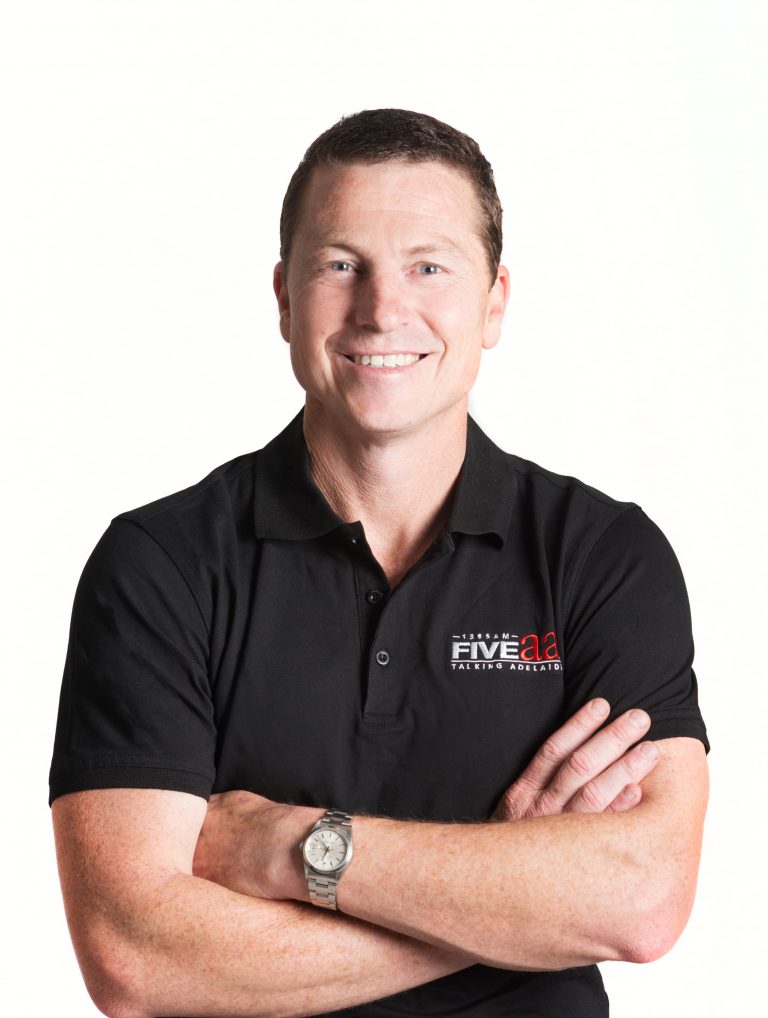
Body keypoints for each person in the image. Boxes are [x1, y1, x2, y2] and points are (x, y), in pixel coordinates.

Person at [49, 108, 709, 1018]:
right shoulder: (159, 566)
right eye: (340, 265)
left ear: (495, 302)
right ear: (284, 298)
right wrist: (511, 897)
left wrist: (294, 847)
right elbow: (133, 957)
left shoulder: (603, 556)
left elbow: (641, 899)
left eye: (429, 267)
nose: (382, 310)